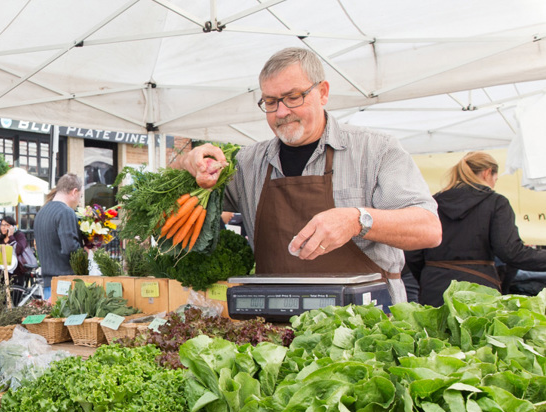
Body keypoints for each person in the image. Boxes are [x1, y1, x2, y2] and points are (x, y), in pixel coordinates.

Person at [171, 47, 442, 303]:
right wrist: (188, 162)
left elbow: (429, 229)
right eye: (271, 102)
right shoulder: (248, 163)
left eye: (293, 97)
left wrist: (357, 220)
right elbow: (174, 191)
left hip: (364, 324)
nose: (282, 112)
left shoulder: (375, 150)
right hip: (274, 324)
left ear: (323, 92)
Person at [405, 151, 546, 306]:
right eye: (495, 179)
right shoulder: (496, 203)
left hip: (434, 288)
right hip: (479, 290)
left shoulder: (433, 203)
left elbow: (413, 251)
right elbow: (510, 251)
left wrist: (431, 274)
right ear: (487, 173)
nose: (494, 185)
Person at [33, 174, 83, 300]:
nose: (79, 201)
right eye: (80, 196)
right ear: (74, 192)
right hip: (66, 283)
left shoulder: (41, 212)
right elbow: (70, 248)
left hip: (48, 283)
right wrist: (87, 251)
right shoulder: (66, 212)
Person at [0, 215, 30, 284]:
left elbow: (19, 250)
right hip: (2, 272)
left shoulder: (19, 236)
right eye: (2, 225)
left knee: (15, 290)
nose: (3, 227)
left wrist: (11, 236)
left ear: (12, 226)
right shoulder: (0, 239)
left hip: (16, 273)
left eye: (6, 225)